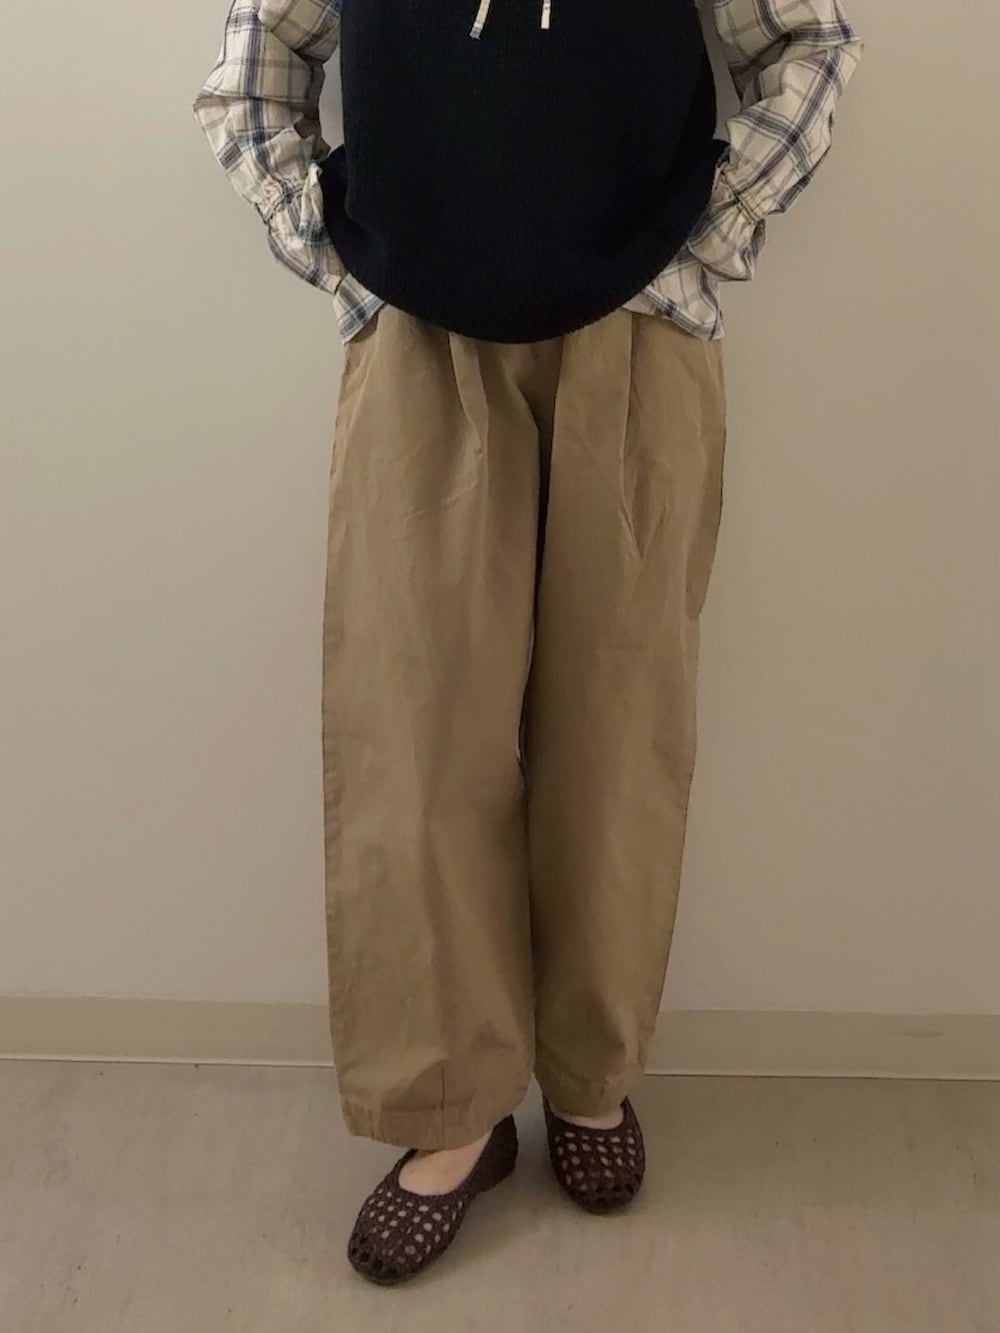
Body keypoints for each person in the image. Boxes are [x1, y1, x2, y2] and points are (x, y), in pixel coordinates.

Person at [195, 0, 861, 1285]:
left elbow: (810, 46)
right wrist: (345, 271)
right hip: (418, 343)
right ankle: (450, 1108)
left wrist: (702, 244)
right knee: (416, 738)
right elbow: (249, 79)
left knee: (616, 734)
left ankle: (589, 1076)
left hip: (637, 338)